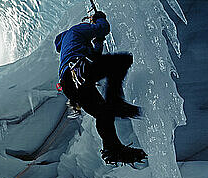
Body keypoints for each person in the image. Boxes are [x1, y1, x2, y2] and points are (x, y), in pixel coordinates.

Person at [54, 11, 147, 164]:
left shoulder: (69, 45)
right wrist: (99, 18)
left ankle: (113, 149)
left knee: (103, 113)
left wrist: (99, 41)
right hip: (78, 71)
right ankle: (116, 102)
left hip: (70, 84)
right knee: (123, 60)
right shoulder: (75, 31)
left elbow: (96, 56)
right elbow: (102, 28)